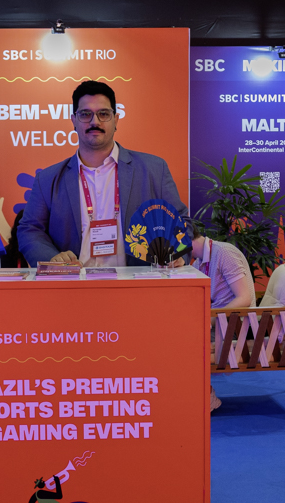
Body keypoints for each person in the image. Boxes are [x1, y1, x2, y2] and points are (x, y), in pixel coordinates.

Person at [18, 81, 188, 268]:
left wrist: (177, 252)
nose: (95, 122)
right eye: (85, 114)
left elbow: (181, 220)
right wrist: (52, 259)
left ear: (116, 120)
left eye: (104, 114)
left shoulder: (153, 169)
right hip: (73, 281)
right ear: (73, 121)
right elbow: (29, 229)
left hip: (136, 281)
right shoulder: (47, 179)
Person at [187, 219, 256, 411]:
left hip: (235, 324)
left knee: (186, 342)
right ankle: (196, 395)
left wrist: (209, 318)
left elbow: (244, 298)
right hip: (220, 320)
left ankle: (207, 398)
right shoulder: (200, 261)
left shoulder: (224, 253)